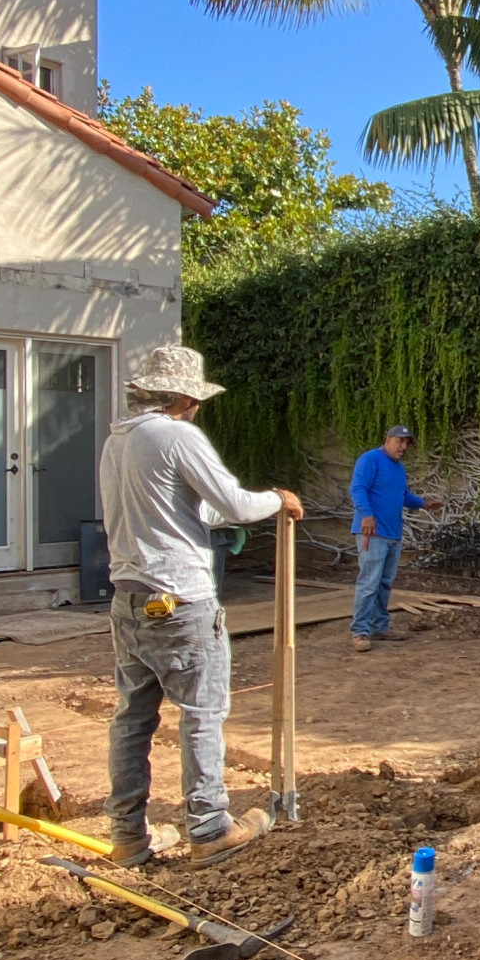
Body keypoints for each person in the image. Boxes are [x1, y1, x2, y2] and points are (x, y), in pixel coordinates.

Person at [98, 344, 302, 869]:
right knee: (202, 713)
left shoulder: (118, 443)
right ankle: (209, 827)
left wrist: (232, 511)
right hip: (180, 600)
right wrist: (277, 499)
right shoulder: (177, 436)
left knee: (132, 720)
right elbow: (234, 504)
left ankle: (127, 836)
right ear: (186, 396)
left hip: (130, 601)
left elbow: (191, 509)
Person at [348, 424, 436, 653]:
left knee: (384, 583)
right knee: (369, 583)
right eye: (400, 441)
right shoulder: (370, 460)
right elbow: (358, 488)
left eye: (407, 443)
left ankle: (380, 627)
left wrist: (423, 503)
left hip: (393, 533)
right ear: (387, 439)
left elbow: (403, 495)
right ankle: (360, 631)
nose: (403, 447)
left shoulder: (398, 468)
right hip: (372, 533)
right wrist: (366, 515)